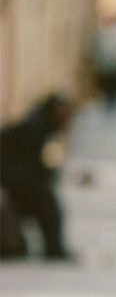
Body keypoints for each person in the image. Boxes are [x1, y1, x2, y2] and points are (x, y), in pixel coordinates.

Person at [0, 92, 75, 260]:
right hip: (12, 179)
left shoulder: (41, 127)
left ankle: (52, 247)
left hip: (16, 178)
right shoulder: (34, 129)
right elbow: (31, 167)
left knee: (46, 202)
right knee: (47, 204)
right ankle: (53, 248)